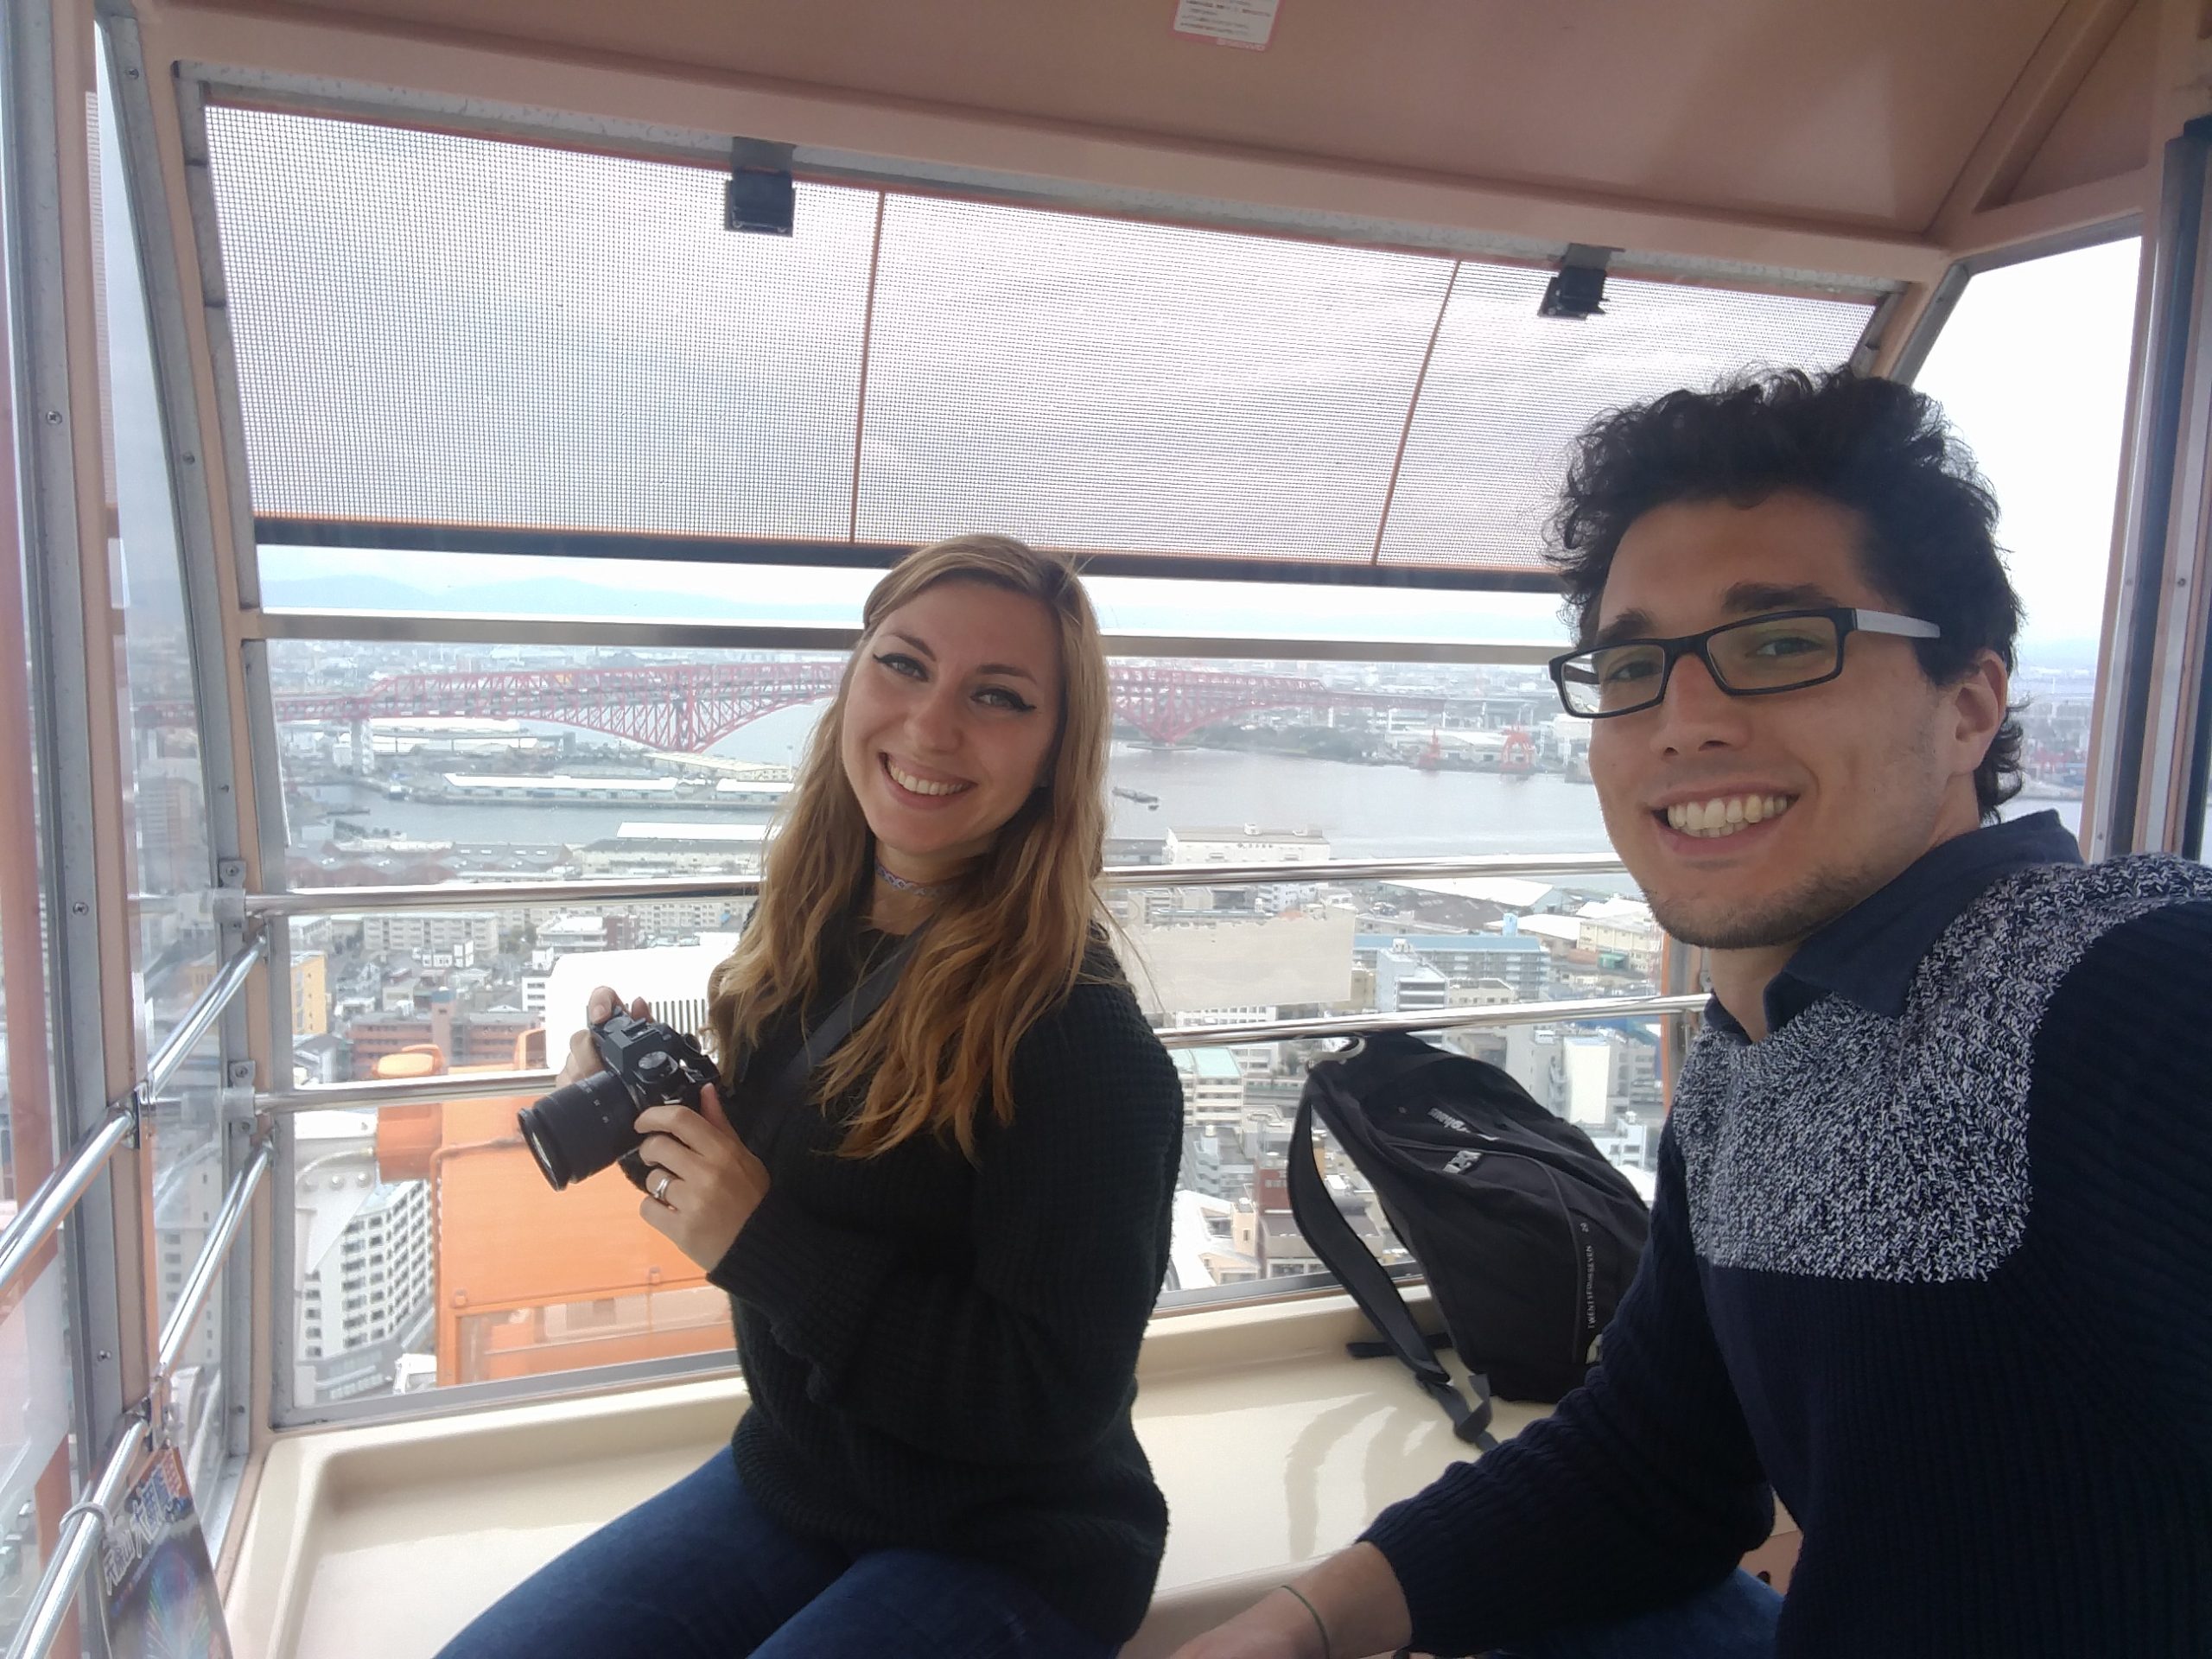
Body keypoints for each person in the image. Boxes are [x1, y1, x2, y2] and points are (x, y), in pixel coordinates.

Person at [1172, 369, 2212, 1659]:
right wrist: (1304, 1622)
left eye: (1779, 645)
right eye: (1632, 666)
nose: (1686, 721)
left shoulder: (2130, 987)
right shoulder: (1750, 1056)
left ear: (1968, 707)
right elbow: (1659, 1451)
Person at [437, 534, 1185, 1659]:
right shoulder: (807, 929)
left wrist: (763, 1244)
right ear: (853, 681)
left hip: (1015, 1539)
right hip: (806, 1475)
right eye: (904, 665)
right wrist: (652, 1125)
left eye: (998, 696)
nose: (930, 726)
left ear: (1054, 754)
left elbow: (1051, 1399)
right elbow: (792, 1180)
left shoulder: (1079, 1039)